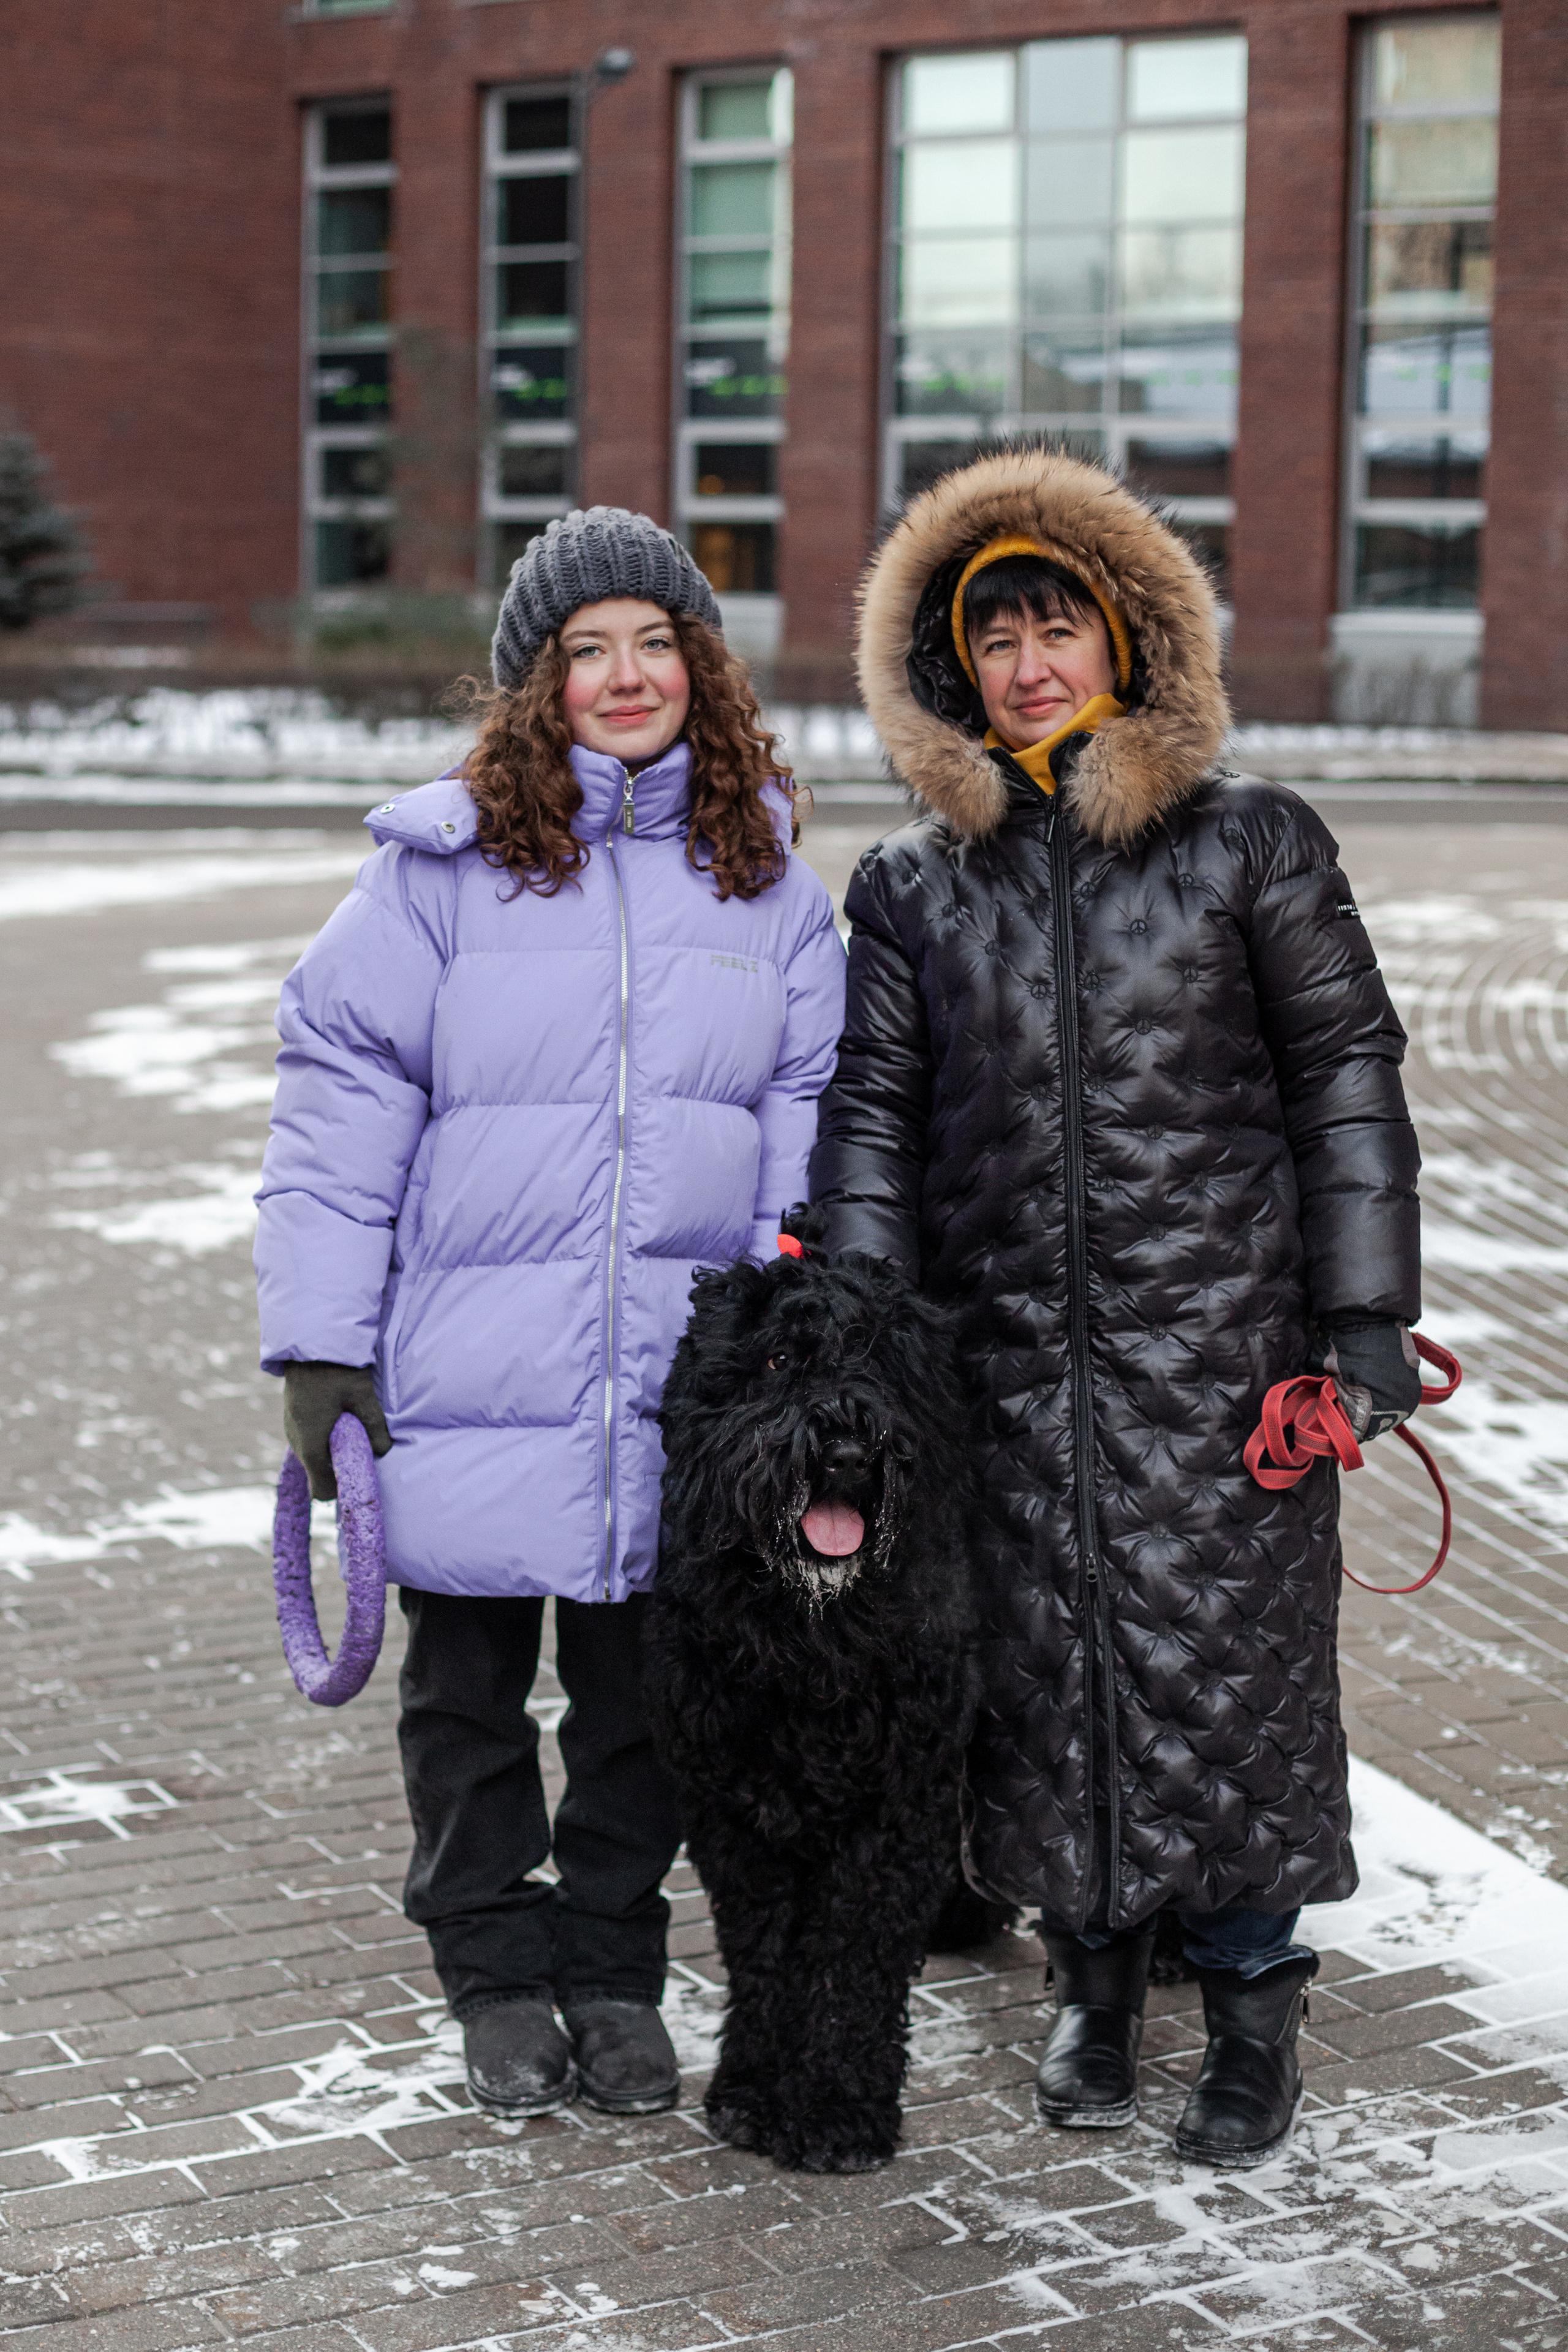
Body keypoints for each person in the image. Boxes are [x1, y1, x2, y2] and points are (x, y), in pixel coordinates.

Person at [807, 448, 1422, 2168]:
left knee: (1228, 1690)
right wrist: (862, 1343)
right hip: (1005, 1376)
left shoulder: (1254, 848)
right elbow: (871, 1119)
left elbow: (1345, 1084)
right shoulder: (916, 888)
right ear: (950, 671)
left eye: (1053, 622)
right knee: (1042, 1679)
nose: (1025, 662)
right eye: (989, 635)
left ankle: (1245, 2011)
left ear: (1128, 640)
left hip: (1223, 1370)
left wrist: (1362, 1324)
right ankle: (1089, 1976)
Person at [255, 507, 845, 2122]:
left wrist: (801, 1346)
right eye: (586, 649)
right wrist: (322, 1346)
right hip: (463, 1370)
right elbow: (334, 1113)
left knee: (643, 1700)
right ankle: (494, 1967)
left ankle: (610, 1963)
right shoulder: (439, 872)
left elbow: (803, 1141)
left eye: (656, 642)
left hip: (682, 1389)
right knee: (464, 1695)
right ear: (536, 684)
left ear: (702, 669)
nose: (626, 674)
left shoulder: (774, 890)